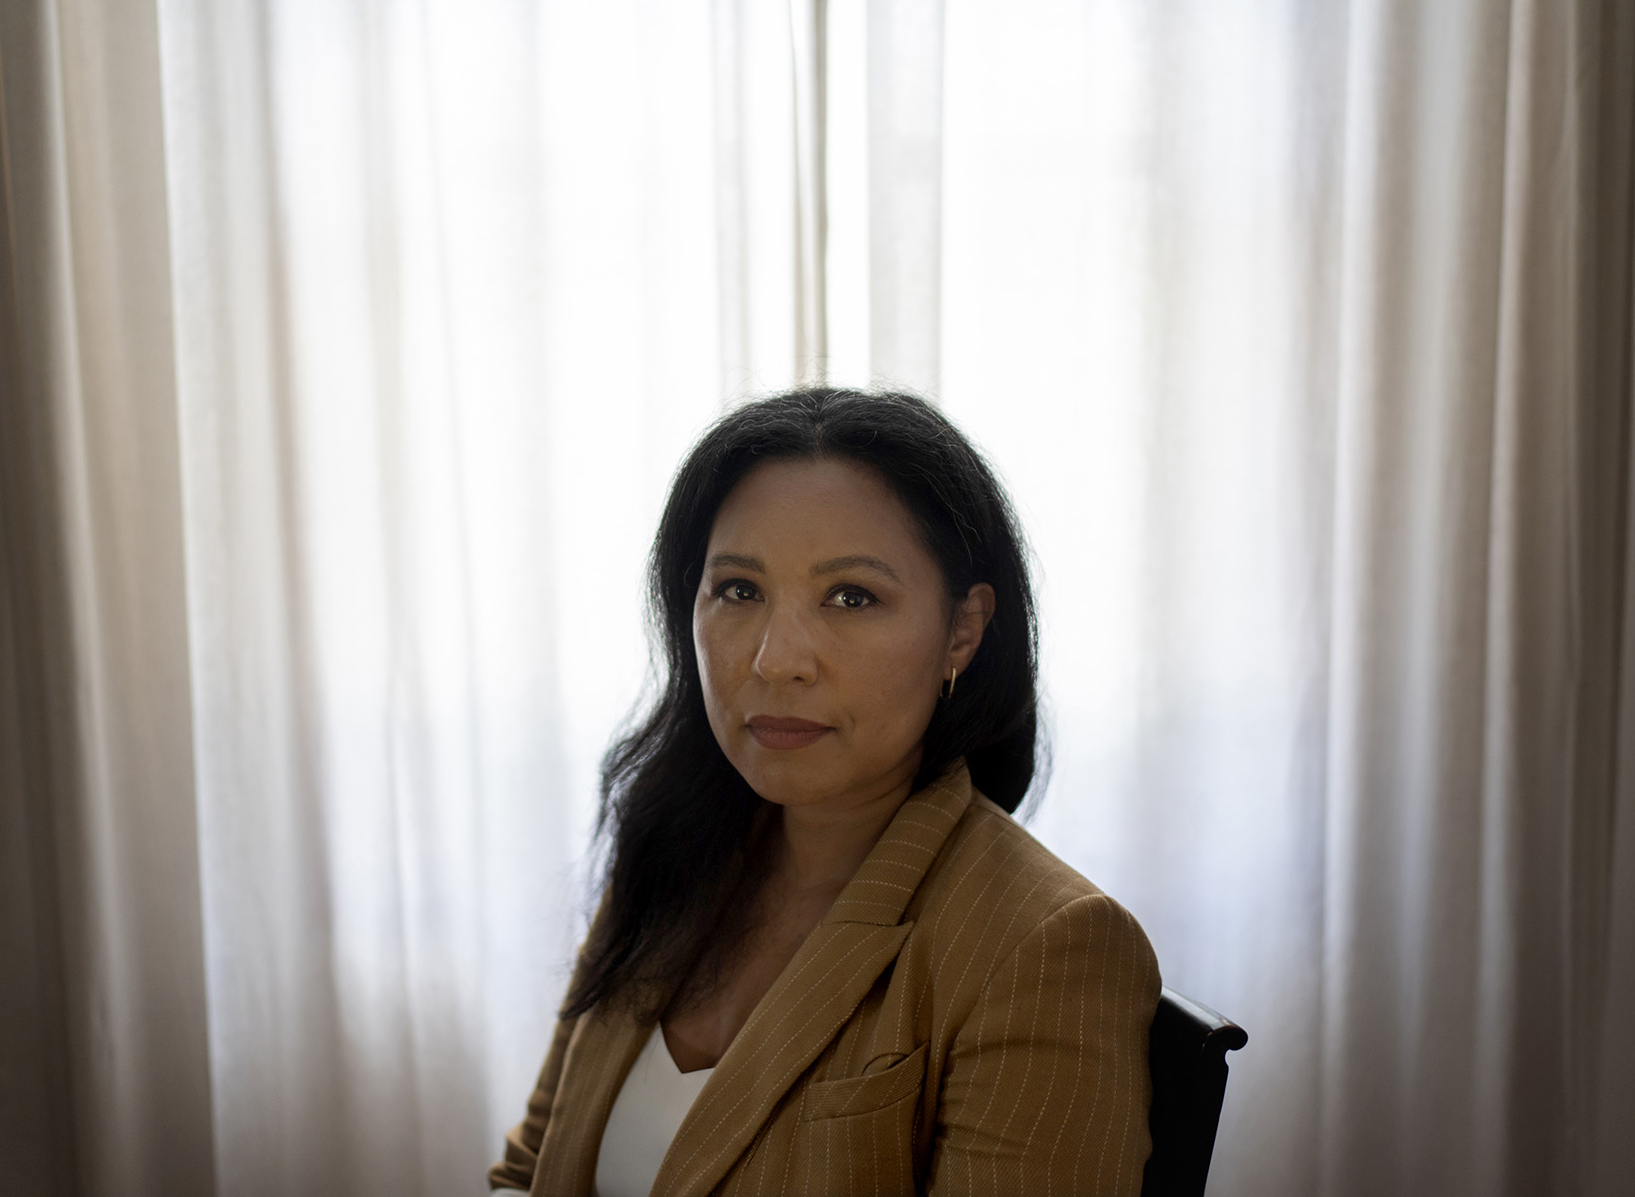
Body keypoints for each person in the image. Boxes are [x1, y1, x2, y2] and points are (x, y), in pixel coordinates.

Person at [489, 388, 1160, 1196]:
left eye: (852, 597)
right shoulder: (673, 844)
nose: (777, 660)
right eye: (739, 589)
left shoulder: (1047, 947)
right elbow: (532, 1168)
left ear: (963, 630)